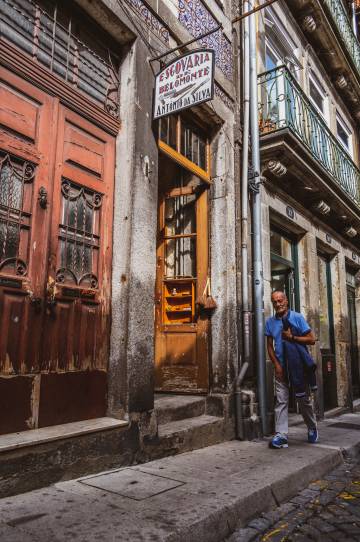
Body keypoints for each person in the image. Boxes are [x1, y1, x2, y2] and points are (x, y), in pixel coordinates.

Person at [265, 290, 318, 449]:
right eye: (274, 301)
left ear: (286, 301)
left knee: (303, 401)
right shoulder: (270, 322)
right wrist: (277, 365)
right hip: (281, 368)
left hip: (298, 368)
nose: (278, 304)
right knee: (281, 401)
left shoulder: (297, 317)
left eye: (280, 300)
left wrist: (292, 338)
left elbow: (311, 339)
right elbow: (269, 345)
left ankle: (312, 426)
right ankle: (281, 435)